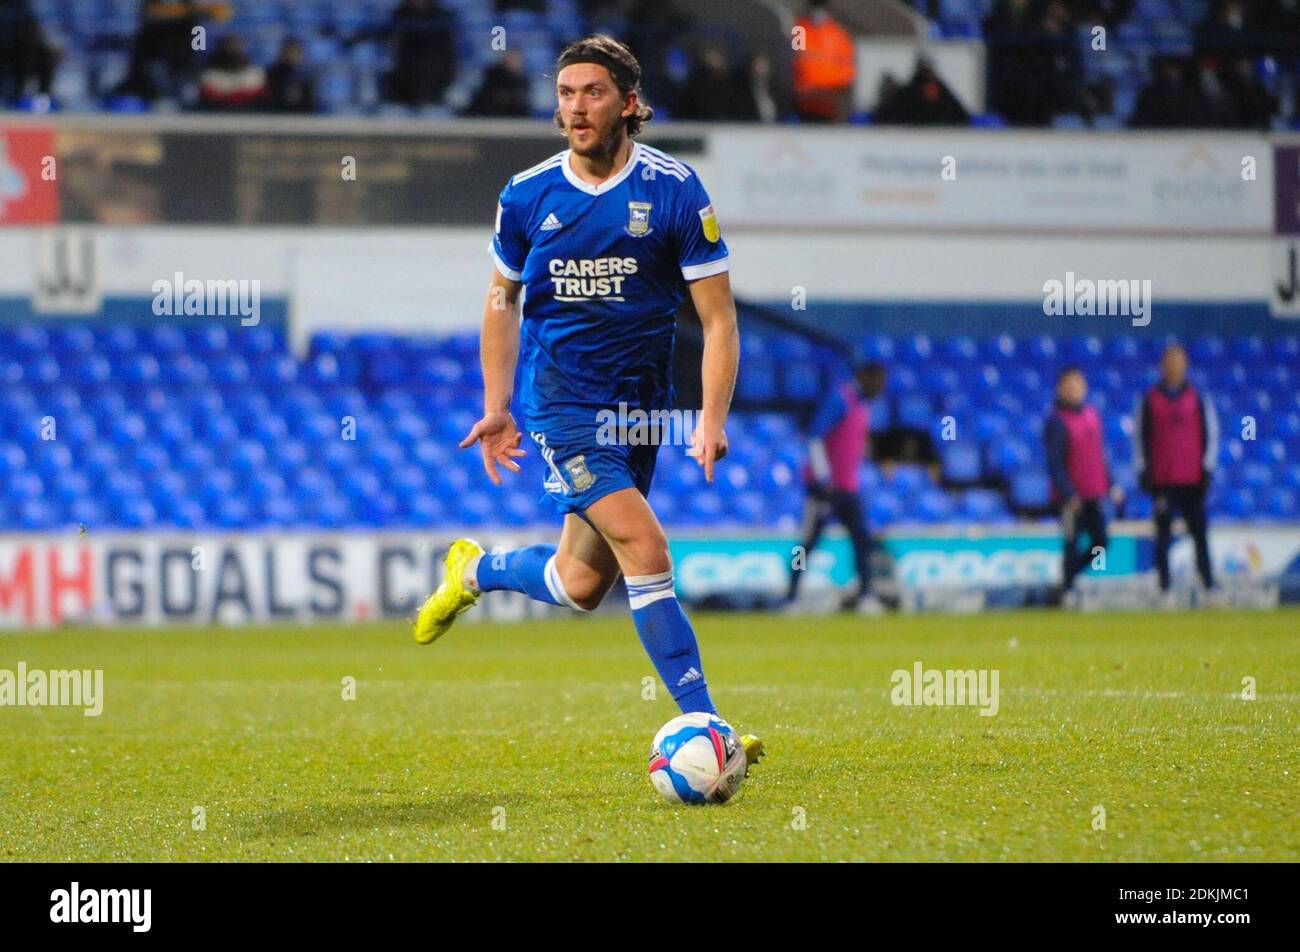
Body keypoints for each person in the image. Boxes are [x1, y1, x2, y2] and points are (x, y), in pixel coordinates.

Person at [412, 36, 764, 774]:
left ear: (629, 103)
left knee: (581, 585)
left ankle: (472, 572)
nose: (575, 107)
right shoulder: (527, 194)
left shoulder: (674, 191)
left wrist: (711, 416)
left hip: (638, 413)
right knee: (646, 547)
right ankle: (706, 723)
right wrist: (498, 404)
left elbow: (720, 319)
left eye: (592, 93)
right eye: (566, 93)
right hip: (563, 405)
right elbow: (502, 300)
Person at [785, 362, 886, 613]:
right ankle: (791, 598)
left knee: (862, 539)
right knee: (807, 543)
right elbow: (815, 436)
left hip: (849, 487)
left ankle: (866, 596)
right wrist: (823, 479)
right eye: (876, 382)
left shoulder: (863, 405)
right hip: (825, 488)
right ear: (864, 377)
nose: (879, 388)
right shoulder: (841, 400)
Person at [1134, 344, 1219, 601]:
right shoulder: (1149, 399)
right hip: (1163, 480)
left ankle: (1208, 586)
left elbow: (1212, 434)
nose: (1174, 366)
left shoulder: (1198, 398)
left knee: (1200, 534)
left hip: (1193, 479)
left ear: (1185, 365)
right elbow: (1139, 437)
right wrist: (1143, 471)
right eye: (1169, 361)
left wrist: (1207, 468)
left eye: (1178, 361)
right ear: (1163, 365)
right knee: (1162, 536)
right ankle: (1165, 589)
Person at [1044, 367, 1124, 600]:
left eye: (1078, 385)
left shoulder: (1092, 415)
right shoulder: (1057, 421)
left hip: (1094, 493)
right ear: (1061, 389)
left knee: (1101, 541)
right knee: (1071, 541)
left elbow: (1099, 456)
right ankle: (1066, 591)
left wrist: (1110, 484)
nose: (1074, 390)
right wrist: (1068, 494)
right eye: (1069, 386)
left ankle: (1066, 580)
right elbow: (1055, 462)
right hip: (1070, 499)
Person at [793, 0, 856, 122]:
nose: (817, 12)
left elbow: (847, 72)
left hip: (831, 101)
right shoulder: (799, 31)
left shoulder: (838, 34)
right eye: (814, 5)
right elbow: (793, 61)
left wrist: (833, 92)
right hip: (803, 103)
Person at [461, 49, 532, 118]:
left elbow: (523, 107)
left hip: (511, 120)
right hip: (485, 117)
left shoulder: (523, 81)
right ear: (504, 59)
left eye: (517, 59)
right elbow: (486, 101)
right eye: (511, 58)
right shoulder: (492, 76)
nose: (515, 62)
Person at [265, 38, 317, 114]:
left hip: (301, 117)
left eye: (296, 52)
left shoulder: (306, 76)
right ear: (283, 53)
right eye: (290, 52)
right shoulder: (273, 73)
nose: (293, 55)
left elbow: (310, 101)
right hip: (276, 114)